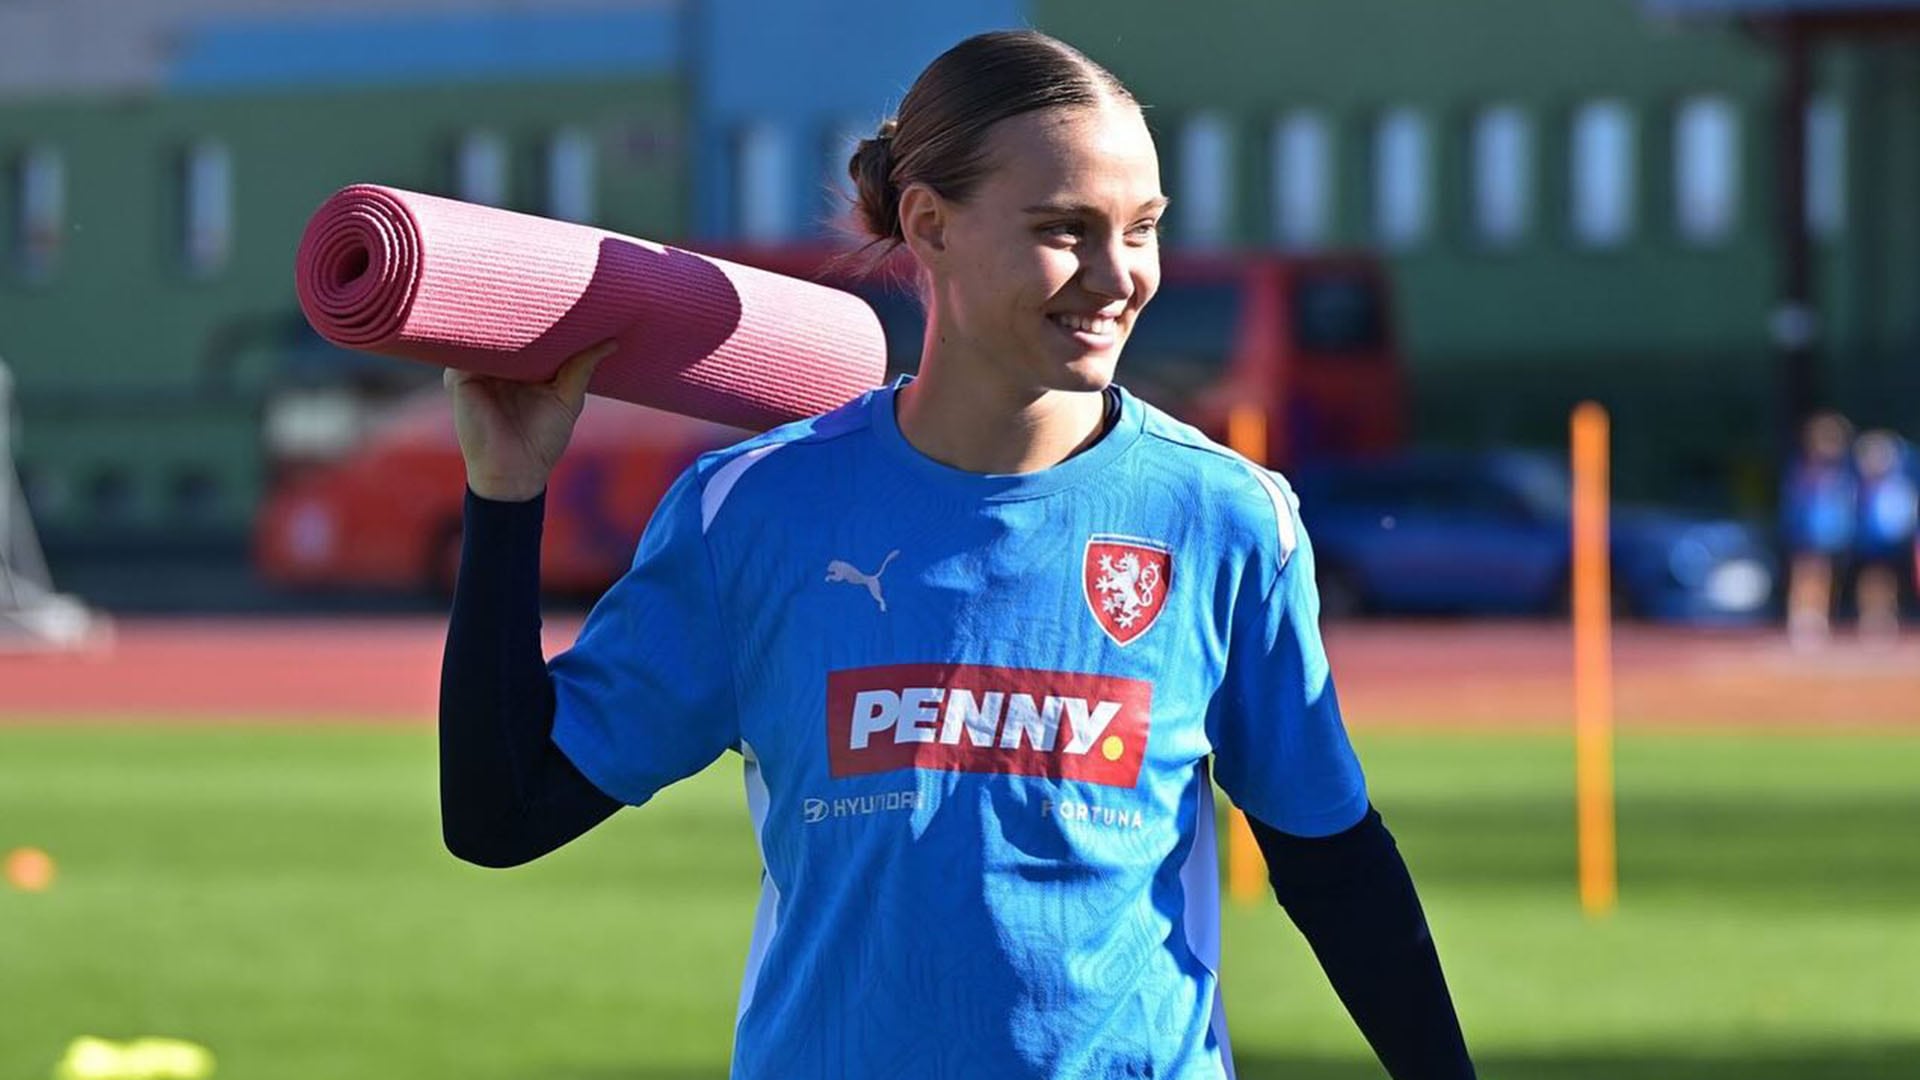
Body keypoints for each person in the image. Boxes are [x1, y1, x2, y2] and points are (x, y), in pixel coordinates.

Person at [438, 29, 1475, 1080]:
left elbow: (1335, 866)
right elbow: (503, 814)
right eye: (1065, 229)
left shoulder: (1227, 518)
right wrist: (506, 492)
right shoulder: (753, 513)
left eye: (1143, 228)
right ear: (929, 224)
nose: (1118, 275)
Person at [1780, 411, 1856, 648]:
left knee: (1825, 574)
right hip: (1806, 530)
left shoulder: (1844, 473)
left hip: (1832, 532)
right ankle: (1801, 617)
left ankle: (1819, 617)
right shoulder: (1802, 469)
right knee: (1805, 573)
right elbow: (1794, 502)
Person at [1849, 429, 1917, 644]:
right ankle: (1870, 615)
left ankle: (1886, 613)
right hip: (1868, 540)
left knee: (1889, 578)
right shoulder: (1859, 486)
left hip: (1892, 541)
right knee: (1870, 577)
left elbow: (1906, 512)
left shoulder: (1899, 484)